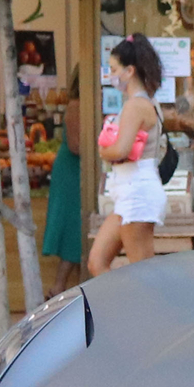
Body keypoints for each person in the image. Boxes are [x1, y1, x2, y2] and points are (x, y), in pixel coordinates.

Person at [87, 36, 166, 276]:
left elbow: (121, 150)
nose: (110, 75)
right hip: (130, 191)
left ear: (129, 71)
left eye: (113, 70)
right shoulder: (148, 102)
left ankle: (154, 312)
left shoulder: (135, 106)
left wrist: (103, 150)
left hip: (137, 192)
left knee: (143, 273)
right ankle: (125, 308)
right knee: (97, 262)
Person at [38, 67, 86, 292]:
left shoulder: (83, 106)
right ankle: (58, 287)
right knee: (74, 229)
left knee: (77, 229)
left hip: (77, 170)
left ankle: (74, 289)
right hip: (72, 172)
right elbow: (77, 146)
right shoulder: (76, 107)